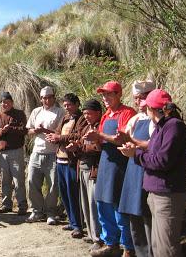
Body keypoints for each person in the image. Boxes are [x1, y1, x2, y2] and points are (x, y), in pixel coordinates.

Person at [119, 89, 186, 257]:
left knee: (167, 248)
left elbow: (162, 161)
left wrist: (134, 154)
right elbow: (152, 148)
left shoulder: (173, 126)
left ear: (152, 109)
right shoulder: (164, 126)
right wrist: (133, 146)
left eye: (146, 107)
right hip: (158, 194)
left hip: (168, 195)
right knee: (158, 246)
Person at [84, 81, 136, 257]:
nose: (105, 98)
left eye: (109, 94)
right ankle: (110, 243)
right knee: (103, 203)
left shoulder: (127, 113)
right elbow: (101, 144)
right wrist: (94, 140)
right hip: (105, 162)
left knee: (119, 206)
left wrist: (99, 135)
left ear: (118, 94)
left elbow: (122, 140)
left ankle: (127, 247)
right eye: (103, 95)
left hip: (120, 164)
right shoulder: (106, 115)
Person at [117, 80, 155, 257]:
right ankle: (139, 251)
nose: (137, 102)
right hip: (133, 169)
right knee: (134, 212)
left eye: (141, 98)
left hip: (147, 170)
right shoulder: (136, 119)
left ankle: (151, 252)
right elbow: (125, 138)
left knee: (146, 214)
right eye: (135, 99)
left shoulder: (157, 121)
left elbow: (155, 146)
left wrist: (133, 143)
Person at [46, 93, 87, 237]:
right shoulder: (65, 118)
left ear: (77, 104)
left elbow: (79, 135)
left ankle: (78, 225)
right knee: (64, 193)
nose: (67, 107)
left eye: (69, 105)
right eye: (65, 105)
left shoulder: (82, 118)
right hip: (60, 159)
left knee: (73, 193)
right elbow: (58, 132)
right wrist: (54, 137)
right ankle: (71, 221)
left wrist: (60, 138)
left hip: (71, 161)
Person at [67, 99, 103, 252]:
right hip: (81, 167)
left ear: (98, 113)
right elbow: (81, 143)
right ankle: (90, 232)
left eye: (90, 113)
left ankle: (98, 237)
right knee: (85, 203)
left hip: (93, 169)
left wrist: (80, 147)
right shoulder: (86, 126)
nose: (86, 116)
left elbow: (98, 147)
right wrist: (76, 147)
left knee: (93, 204)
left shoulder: (100, 127)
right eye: (85, 113)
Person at [25, 86, 64, 225]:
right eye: (43, 98)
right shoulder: (36, 111)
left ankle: (51, 212)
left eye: (49, 97)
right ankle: (37, 211)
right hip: (36, 152)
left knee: (53, 185)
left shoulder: (60, 112)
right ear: (41, 99)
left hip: (52, 153)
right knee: (32, 182)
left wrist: (44, 130)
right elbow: (28, 130)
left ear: (53, 97)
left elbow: (60, 133)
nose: (46, 100)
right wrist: (35, 130)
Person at [0, 92, 28, 215]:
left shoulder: (19, 114)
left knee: (18, 180)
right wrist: (2, 132)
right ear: (0, 103)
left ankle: (22, 205)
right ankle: (6, 205)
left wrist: (11, 129)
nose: (5, 104)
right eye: (3, 102)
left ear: (12, 102)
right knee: (5, 180)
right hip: (2, 153)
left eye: (7, 102)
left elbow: (24, 130)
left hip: (16, 151)